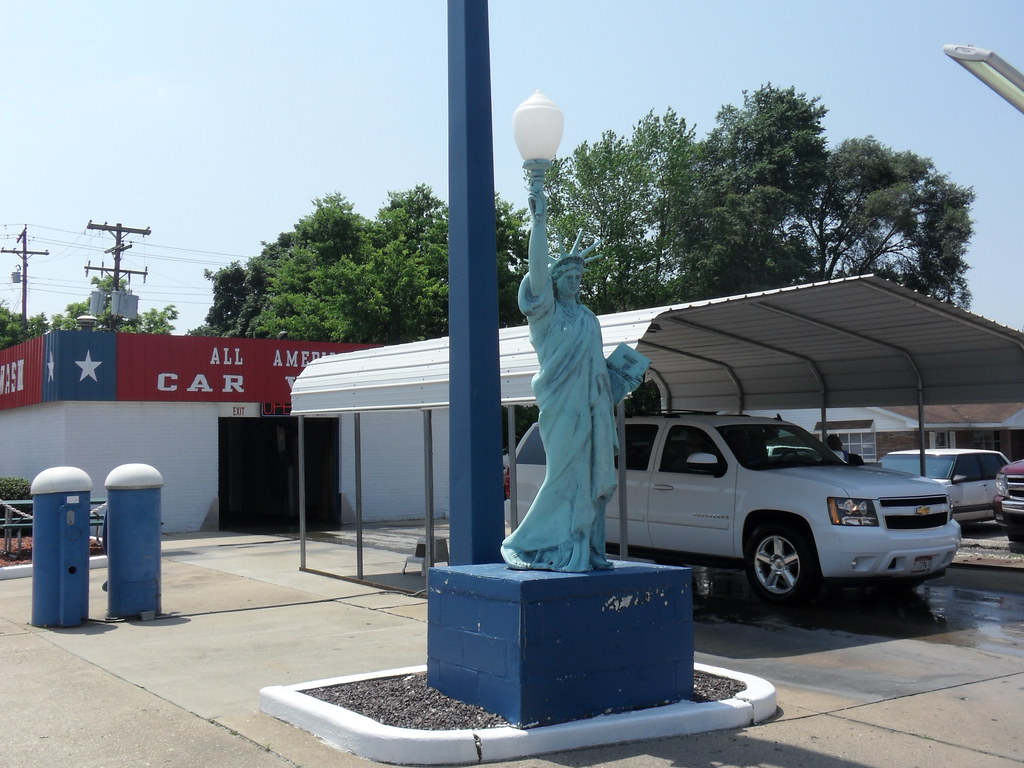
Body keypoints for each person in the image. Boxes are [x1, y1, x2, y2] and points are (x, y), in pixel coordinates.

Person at [500, 163, 641, 572]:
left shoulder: (590, 319)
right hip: (561, 410)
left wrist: (621, 378)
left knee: (591, 482)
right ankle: (532, 542)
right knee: (561, 478)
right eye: (569, 274)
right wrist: (539, 218)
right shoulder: (545, 313)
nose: (575, 282)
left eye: (580, 275)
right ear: (555, 280)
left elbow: (599, 372)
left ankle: (584, 549)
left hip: (593, 411)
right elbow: (537, 268)